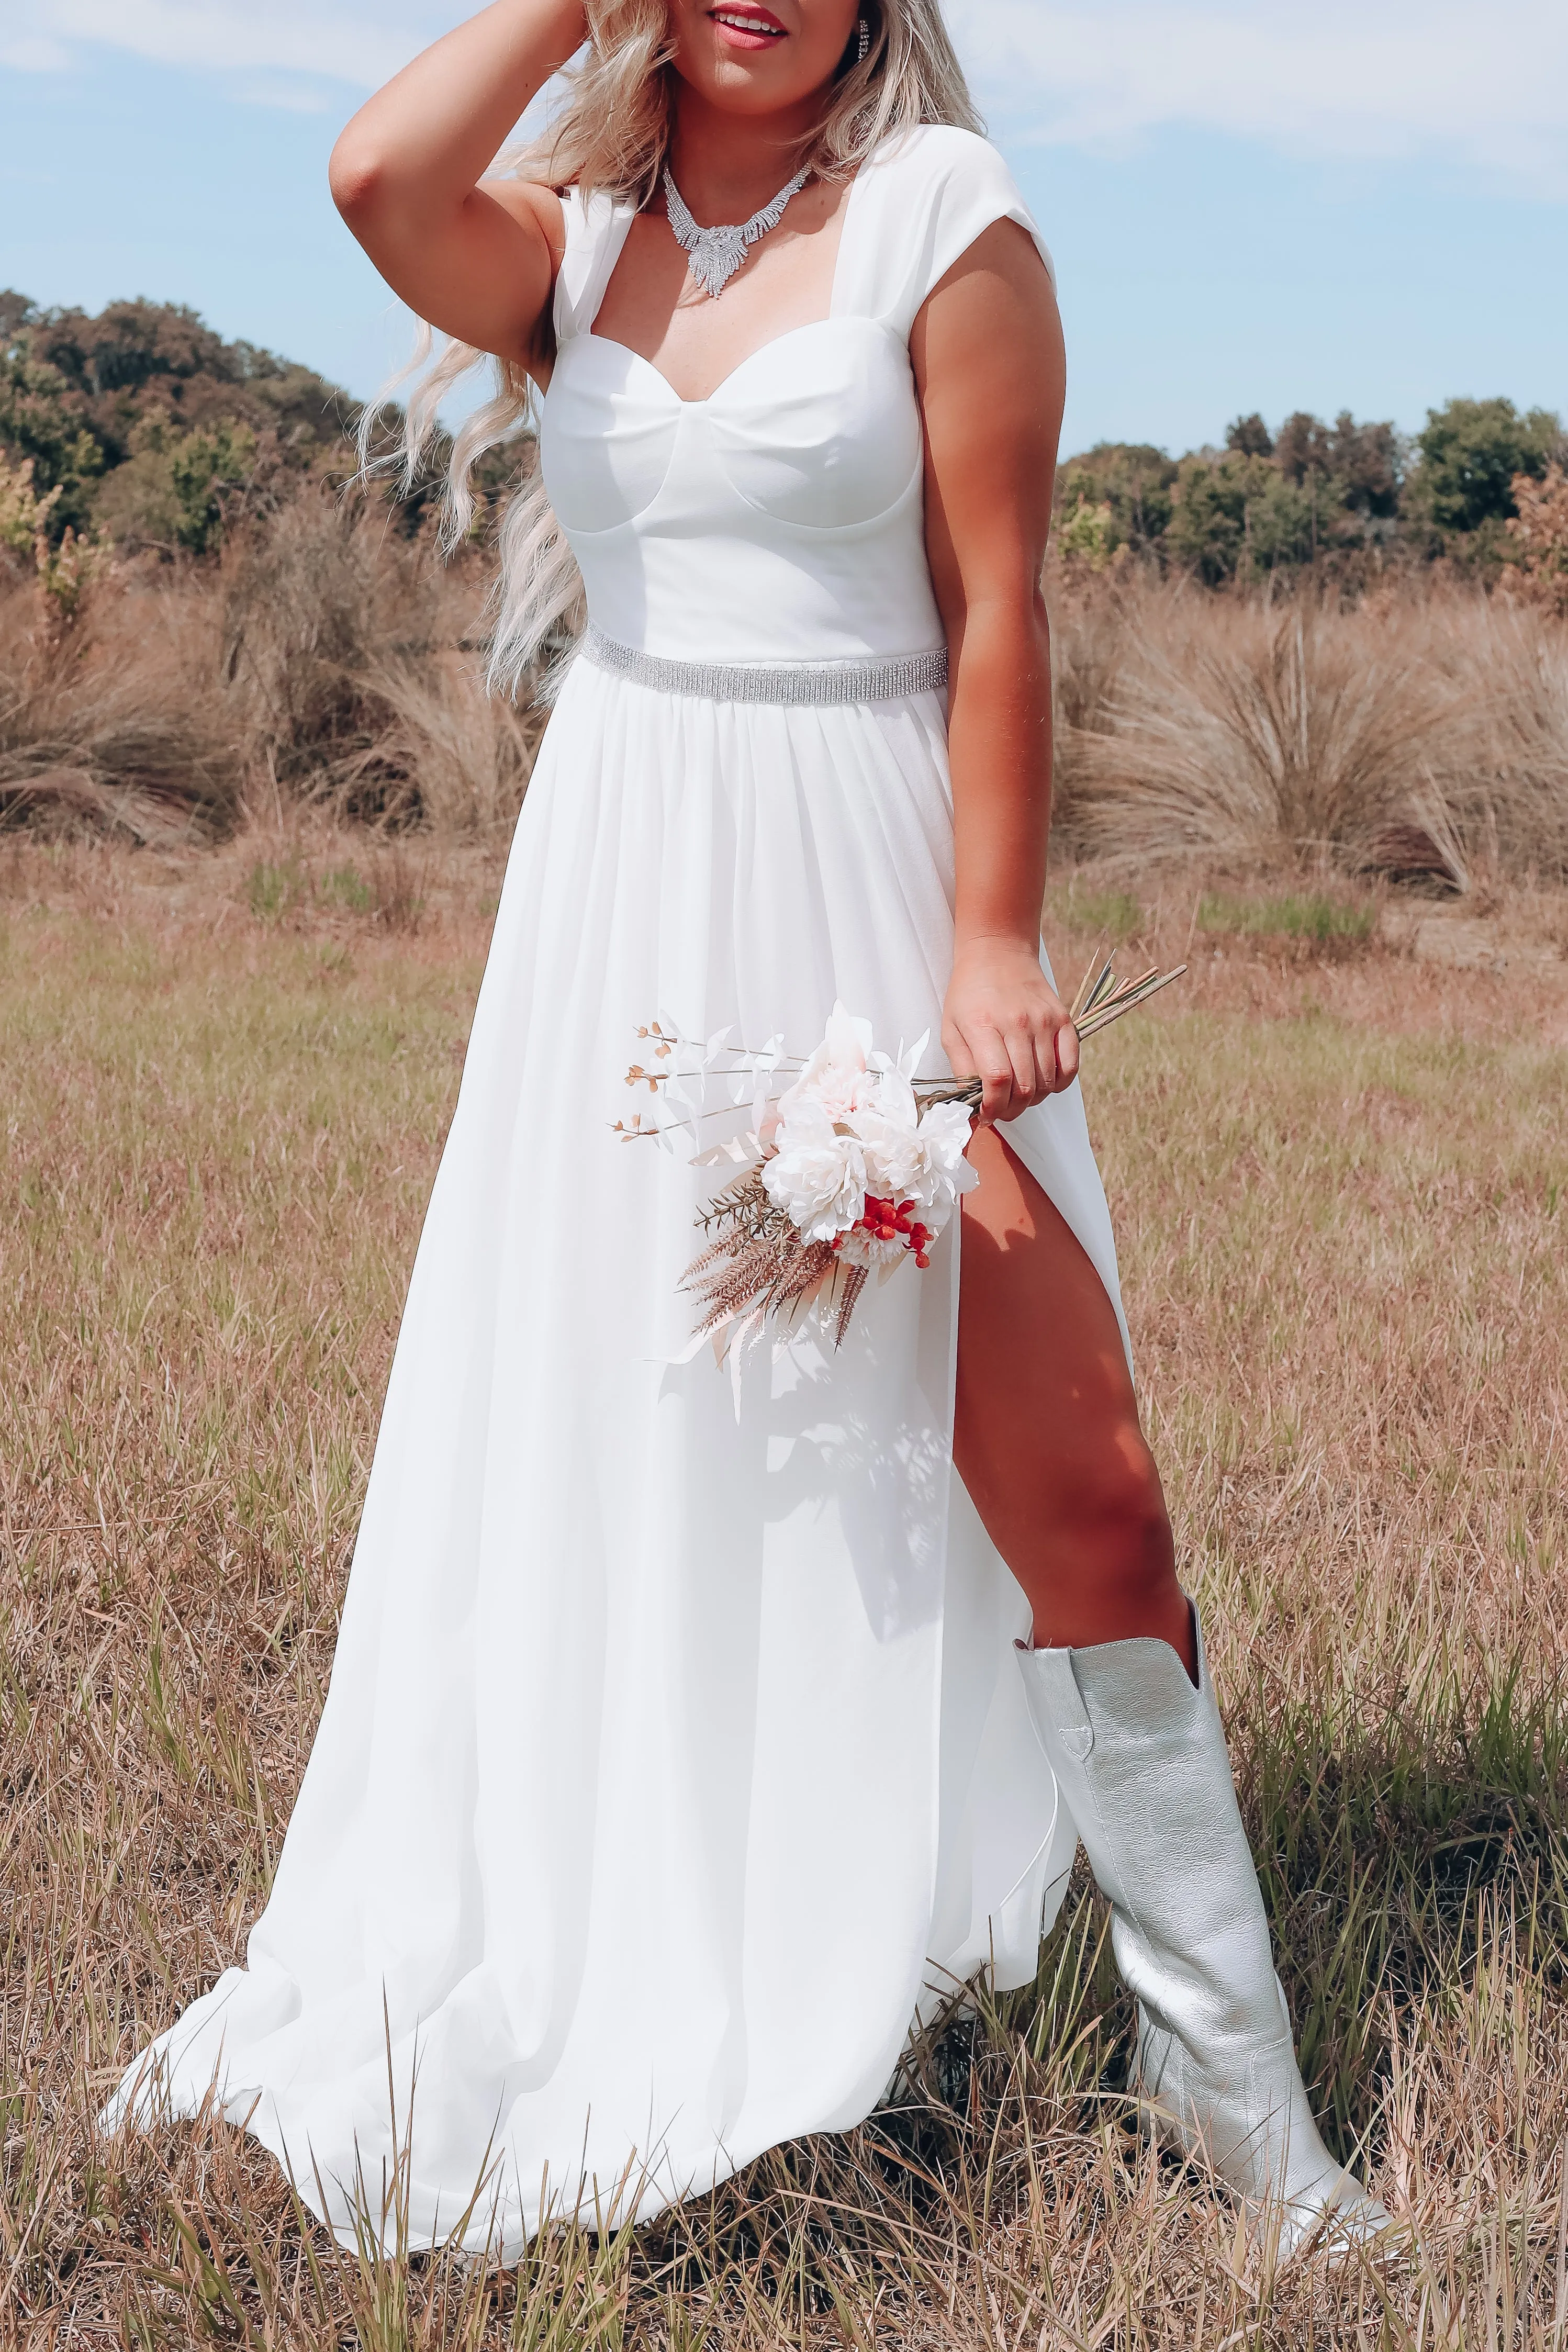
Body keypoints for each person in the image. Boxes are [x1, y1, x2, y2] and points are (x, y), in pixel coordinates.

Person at [106, 0, 1386, 2261]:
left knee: (1065, 1466)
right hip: (623, 906)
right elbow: (369, 182)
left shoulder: (940, 222)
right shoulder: (576, 242)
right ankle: (679, 1918)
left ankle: (1235, 2100)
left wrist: (987, 939)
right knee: (653, 1436)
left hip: (875, 883)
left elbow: (1003, 609)